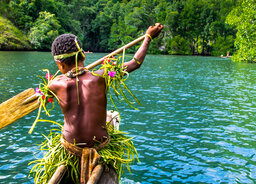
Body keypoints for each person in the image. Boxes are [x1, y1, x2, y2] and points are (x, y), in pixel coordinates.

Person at [31, 23, 163, 184]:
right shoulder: (101, 77)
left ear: (60, 65)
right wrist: (148, 37)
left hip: (70, 149)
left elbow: (46, 91)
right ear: (83, 56)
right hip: (100, 146)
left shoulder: (55, 84)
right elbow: (135, 62)